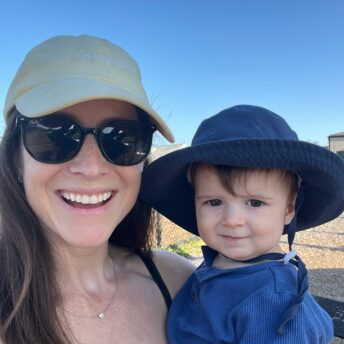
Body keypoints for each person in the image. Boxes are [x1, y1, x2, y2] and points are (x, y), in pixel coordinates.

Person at [0, 34, 194, 344]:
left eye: (121, 139)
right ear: (15, 157)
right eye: (55, 136)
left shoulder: (181, 282)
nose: (91, 168)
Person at [141, 105, 344, 343]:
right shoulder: (221, 264)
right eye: (214, 201)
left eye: (255, 203)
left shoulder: (273, 302)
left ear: (289, 209)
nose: (232, 220)